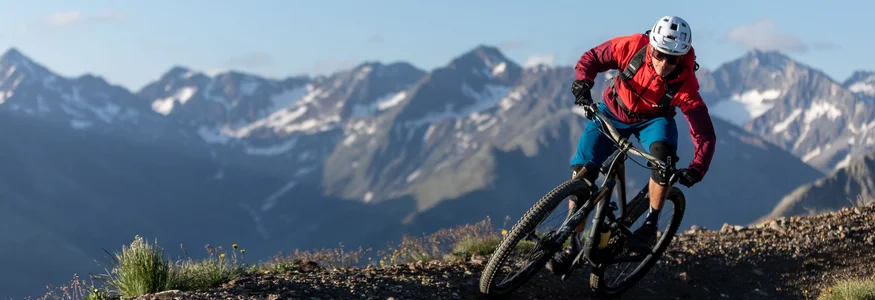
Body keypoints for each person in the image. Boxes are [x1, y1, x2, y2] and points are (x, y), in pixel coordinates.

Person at [545, 15, 717, 275]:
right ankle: (572, 245)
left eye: (672, 59)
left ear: (681, 58)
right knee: (583, 172)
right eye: (659, 54)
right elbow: (593, 57)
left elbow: (704, 131)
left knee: (664, 160)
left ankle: (650, 224)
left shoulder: (686, 83)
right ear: (652, 47)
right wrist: (583, 81)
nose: (663, 63)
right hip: (613, 110)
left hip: (653, 121)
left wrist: (697, 168)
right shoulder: (633, 46)